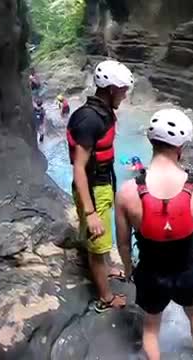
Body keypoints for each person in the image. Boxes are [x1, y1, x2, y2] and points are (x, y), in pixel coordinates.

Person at [115, 108, 193, 360]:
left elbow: (124, 244)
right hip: (188, 270)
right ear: (181, 146)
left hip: (151, 274)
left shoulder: (127, 191)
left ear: (150, 141)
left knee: (150, 328)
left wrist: (128, 270)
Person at [66, 59, 135, 312]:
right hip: (94, 190)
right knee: (97, 242)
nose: (125, 95)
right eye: (123, 90)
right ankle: (105, 298)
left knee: (101, 240)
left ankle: (105, 267)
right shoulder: (89, 120)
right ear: (111, 89)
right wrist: (90, 212)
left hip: (103, 184)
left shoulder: (102, 113)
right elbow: (79, 168)